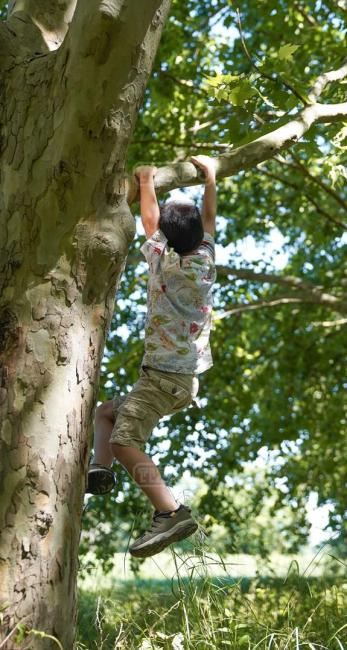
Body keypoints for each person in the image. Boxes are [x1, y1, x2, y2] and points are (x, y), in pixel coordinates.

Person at [86, 155, 217, 558]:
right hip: (182, 382)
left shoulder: (168, 264)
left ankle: (170, 510)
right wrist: (210, 180)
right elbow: (208, 221)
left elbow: (148, 222)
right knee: (106, 413)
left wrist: (146, 180)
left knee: (127, 441)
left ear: (167, 238)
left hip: (161, 378)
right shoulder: (205, 259)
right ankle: (99, 469)